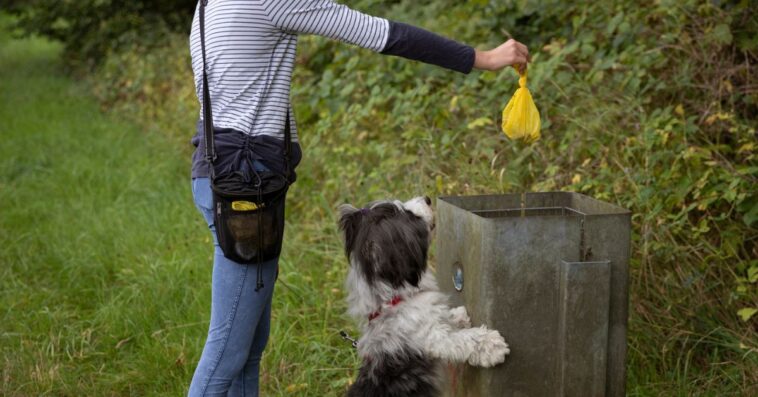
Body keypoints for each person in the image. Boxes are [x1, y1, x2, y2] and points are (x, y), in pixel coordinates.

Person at [187, 0, 529, 395]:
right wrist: (481, 58)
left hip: (222, 174)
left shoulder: (210, 3)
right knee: (228, 352)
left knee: (246, 347)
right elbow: (383, 34)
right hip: (245, 190)